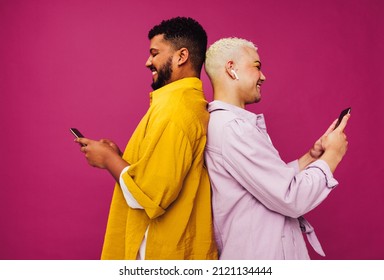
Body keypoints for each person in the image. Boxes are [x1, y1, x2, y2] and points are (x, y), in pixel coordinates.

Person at [76, 17, 218, 260]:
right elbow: (163, 177)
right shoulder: (187, 104)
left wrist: (108, 160)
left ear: (181, 56)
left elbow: (149, 197)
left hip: (161, 255)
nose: (148, 62)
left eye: (155, 53)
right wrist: (120, 158)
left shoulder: (175, 111)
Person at [204, 37, 350, 259]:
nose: (263, 76)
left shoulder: (231, 125)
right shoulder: (234, 128)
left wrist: (311, 157)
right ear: (231, 68)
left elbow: (269, 183)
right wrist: (333, 155)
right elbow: (292, 197)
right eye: (257, 67)